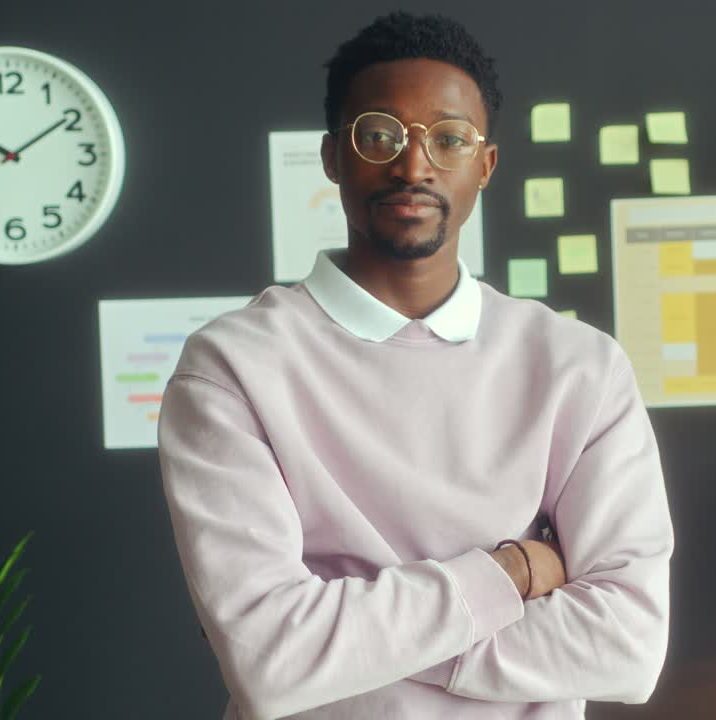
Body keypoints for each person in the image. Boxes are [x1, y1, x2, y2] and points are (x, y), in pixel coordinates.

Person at [158, 11, 675, 719]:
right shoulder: (232, 367)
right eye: (380, 134)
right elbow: (270, 657)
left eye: (449, 138)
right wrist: (513, 572)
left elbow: (628, 646)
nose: (413, 164)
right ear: (334, 156)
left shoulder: (577, 367)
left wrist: (350, 648)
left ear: (485, 164)